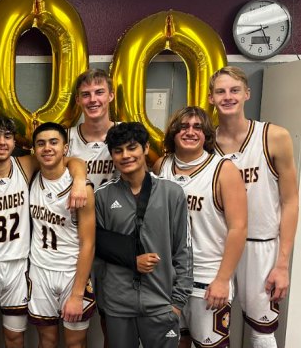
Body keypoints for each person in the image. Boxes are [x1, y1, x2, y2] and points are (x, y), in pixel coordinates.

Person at [0, 116, 88, 348]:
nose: (2, 142)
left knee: (15, 338)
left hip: (18, 267)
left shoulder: (25, 165)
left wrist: (80, 181)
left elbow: (72, 160)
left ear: (15, 143)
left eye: (7, 137)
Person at [209, 66, 299, 348]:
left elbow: (290, 200)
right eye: (220, 91)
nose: (228, 96)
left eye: (234, 90)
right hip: (215, 246)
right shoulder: (205, 143)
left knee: (261, 331)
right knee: (210, 331)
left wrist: (283, 264)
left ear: (247, 93)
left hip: (260, 245)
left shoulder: (274, 136)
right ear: (210, 98)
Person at [153, 106, 247, 348]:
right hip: (168, 278)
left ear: (206, 134)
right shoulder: (161, 166)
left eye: (197, 127)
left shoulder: (223, 170)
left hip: (206, 276)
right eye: (183, 126)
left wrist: (223, 279)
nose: (190, 132)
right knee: (176, 343)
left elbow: (238, 228)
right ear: (173, 132)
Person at [95, 122, 192, 348]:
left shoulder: (172, 193)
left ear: (146, 148)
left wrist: (176, 303)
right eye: (118, 151)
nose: (125, 155)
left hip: (161, 303)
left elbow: (184, 250)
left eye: (132, 148)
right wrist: (106, 299)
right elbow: (97, 249)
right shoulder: (102, 196)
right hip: (118, 305)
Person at [28, 122, 96, 348]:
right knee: (46, 341)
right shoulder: (32, 177)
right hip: (40, 270)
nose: (47, 148)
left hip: (71, 273)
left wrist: (77, 295)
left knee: (75, 343)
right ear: (34, 150)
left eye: (54, 142)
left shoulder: (81, 188)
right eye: (41, 143)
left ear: (65, 148)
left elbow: (88, 244)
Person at [66, 68, 118, 347]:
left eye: (99, 92)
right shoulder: (66, 139)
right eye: (86, 94)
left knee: (113, 321)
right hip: (75, 242)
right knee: (76, 323)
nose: (93, 99)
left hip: (114, 240)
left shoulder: (125, 136)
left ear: (110, 95)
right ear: (78, 100)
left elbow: (155, 167)